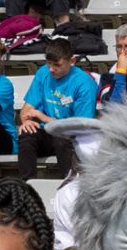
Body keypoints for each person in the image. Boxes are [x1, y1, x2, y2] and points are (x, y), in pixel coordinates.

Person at [16, 39, 96, 182]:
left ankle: (69, 185)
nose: (51, 69)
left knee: (61, 138)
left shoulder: (84, 83)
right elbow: (27, 108)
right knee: (27, 134)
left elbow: (80, 127)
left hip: (72, 138)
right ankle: (26, 185)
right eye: (49, 64)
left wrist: (44, 118)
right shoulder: (43, 73)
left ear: (72, 61)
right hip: (48, 134)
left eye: (57, 65)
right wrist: (26, 121)